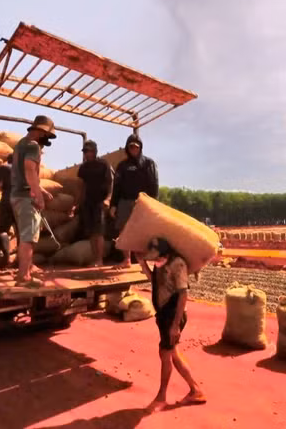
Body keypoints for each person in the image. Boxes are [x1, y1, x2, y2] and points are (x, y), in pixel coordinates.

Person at [136, 238, 205, 412]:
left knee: (165, 353)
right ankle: (195, 390)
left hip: (174, 315)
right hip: (163, 315)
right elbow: (156, 282)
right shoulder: (159, 264)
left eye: (155, 256)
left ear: (165, 252)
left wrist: (175, 325)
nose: (154, 260)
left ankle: (161, 397)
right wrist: (142, 264)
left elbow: (183, 295)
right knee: (172, 353)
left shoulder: (178, 264)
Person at [10, 115, 55, 287]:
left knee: (24, 236)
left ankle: (25, 271)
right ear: (40, 131)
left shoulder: (21, 144)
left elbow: (24, 173)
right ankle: (24, 277)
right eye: (46, 135)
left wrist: (40, 188)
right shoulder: (33, 146)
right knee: (29, 237)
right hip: (26, 197)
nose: (47, 139)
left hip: (16, 195)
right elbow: (29, 170)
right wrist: (39, 196)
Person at [110, 134, 158, 268]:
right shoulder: (122, 166)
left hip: (142, 203)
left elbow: (154, 184)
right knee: (123, 231)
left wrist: (152, 203)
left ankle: (143, 264)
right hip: (124, 202)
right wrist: (113, 205)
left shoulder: (149, 163)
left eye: (136, 147)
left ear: (140, 148)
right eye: (131, 146)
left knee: (142, 233)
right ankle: (127, 260)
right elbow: (117, 187)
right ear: (127, 147)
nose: (134, 149)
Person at [77, 140, 113, 267]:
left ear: (95, 151)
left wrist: (108, 199)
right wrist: (78, 203)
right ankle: (95, 259)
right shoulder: (83, 168)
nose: (86, 154)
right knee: (91, 232)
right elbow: (83, 186)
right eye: (85, 151)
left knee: (99, 232)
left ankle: (100, 259)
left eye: (89, 151)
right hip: (88, 203)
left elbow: (110, 183)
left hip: (100, 202)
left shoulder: (103, 164)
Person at [0, 155, 16, 266]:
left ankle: (6, 257)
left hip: (7, 200)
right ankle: (21, 260)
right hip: (21, 201)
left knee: (2, 230)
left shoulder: (4, 167)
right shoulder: (24, 170)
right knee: (21, 232)